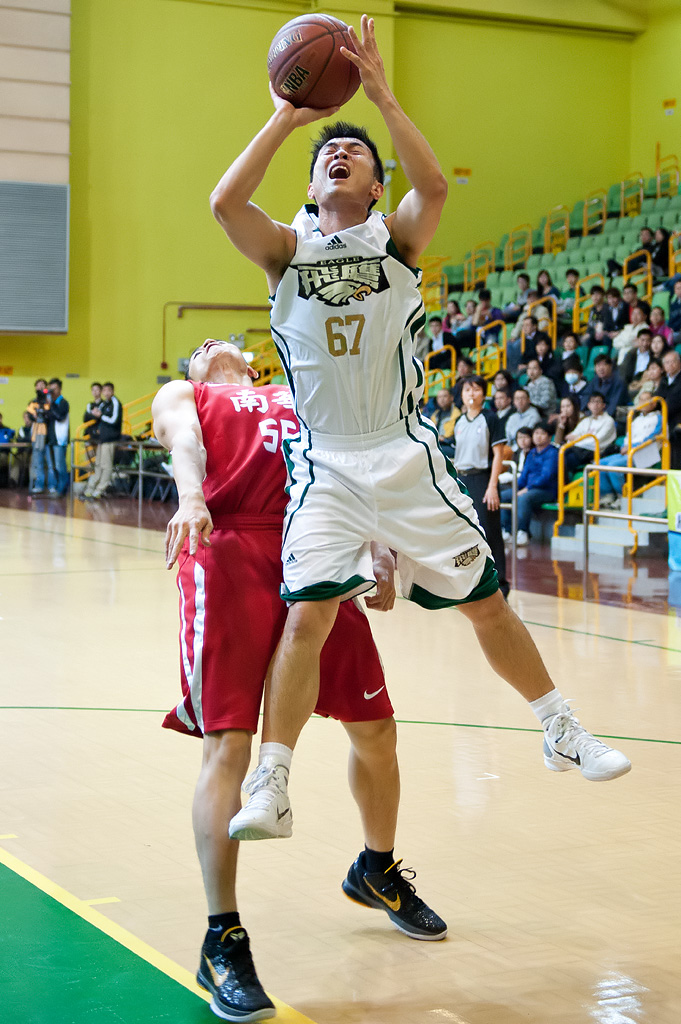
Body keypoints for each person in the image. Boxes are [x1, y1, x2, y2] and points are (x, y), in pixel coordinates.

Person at [209, 16, 631, 844]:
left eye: (356, 153)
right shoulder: (287, 251)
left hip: (404, 454)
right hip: (326, 463)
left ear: (375, 188)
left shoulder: (395, 242)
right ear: (311, 186)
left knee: (487, 606)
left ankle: (559, 728)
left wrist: (382, 97)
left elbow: (434, 187)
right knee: (307, 618)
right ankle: (273, 781)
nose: (340, 153)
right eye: (327, 155)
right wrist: (287, 115)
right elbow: (225, 203)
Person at [152, 339, 447, 1020]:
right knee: (229, 744)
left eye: (221, 341)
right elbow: (185, 441)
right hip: (226, 545)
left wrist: (376, 542)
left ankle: (375, 868)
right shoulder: (187, 394)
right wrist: (192, 497)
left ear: (255, 364)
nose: (210, 347)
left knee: (376, 730)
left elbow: (347, 467)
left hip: (314, 554)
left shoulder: (300, 393)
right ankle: (222, 939)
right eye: (198, 348)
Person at [451, 375, 508, 597]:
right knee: (464, 532)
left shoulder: (491, 418)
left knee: (489, 531)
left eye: (475, 389)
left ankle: (500, 584)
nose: (471, 394)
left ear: (484, 394)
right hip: (462, 479)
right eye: (467, 390)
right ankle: (470, 582)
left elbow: (499, 454)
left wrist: (492, 486)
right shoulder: (459, 421)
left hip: (483, 479)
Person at [597, 383, 663, 508]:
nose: (642, 402)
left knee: (613, 466)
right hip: (629, 452)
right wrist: (625, 446)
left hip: (644, 454)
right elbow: (628, 436)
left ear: (654, 403)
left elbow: (652, 438)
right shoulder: (636, 419)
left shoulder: (659, 418)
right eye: (641, 400)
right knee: (598, 463)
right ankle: (608, 495)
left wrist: (632, 447)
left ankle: (623, 496)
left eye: (646, 400)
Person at [500, 422, 559, 546]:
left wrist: (527, 489)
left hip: (546, 490)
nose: (538, 436)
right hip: (528, 488)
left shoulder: (553, 453)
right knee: (504, 496)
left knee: (523, 498)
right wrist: (517, 488)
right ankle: (507, 531)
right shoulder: (531, 453)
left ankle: (523, 532)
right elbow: (524, 476)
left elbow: (546, 477)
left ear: (549, 437)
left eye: (542, 433)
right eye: (536, 433)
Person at [83, 382, 123, 500]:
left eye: (108, 390)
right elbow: (89, 416)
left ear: (112, 391)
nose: (106, 393)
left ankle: (100, 489)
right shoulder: (104, 404)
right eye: (104, 391)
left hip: (110, 439)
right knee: (98, 464)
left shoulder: (115, 403)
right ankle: (91, 488)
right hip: (102, 439)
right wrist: (97, 415)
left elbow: (114, 420)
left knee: (106, 465)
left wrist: (101, 416)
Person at [564, 392, 617, 474]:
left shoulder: (608, 421)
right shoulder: (586, 420)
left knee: (566, 460)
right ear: (588, 405)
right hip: (579, 449)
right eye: (592, 402)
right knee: (559, 454)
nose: (595, 405)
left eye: (598, 402)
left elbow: (596, 441)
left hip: (595, 452)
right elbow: (571, 436)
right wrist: (577, 440)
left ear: (603, 405)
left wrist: (576, 440)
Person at [45, 377, 69, 495]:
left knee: (60, 466)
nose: (52, 392)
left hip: (59, 439)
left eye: (54, 389)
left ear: (60, 389)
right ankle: (53, 487)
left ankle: (62, 489)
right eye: (51, 389)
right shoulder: (49, 403)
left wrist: (51, 405)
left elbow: (60, 416)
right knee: (52, 466)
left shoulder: (63, 403)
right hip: (50, 438)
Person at [25, 378, 50, 494]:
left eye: (43, 385)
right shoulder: (32, 402)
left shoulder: (49, 401)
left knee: (50, 463)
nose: (40, 387)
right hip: (36, 434)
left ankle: (51, 486)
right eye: (38, 385)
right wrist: (34, 416)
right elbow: (29, 415)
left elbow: (50, 415)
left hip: (48, 436)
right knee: (38, 462)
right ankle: (39, 485)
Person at [658, 349, 681, 468]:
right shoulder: (664, 380)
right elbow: (657, 399)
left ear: (679, 363)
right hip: (665, 419)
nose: (670, 365)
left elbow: (674, 402)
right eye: (667, 362)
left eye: (673, 361)